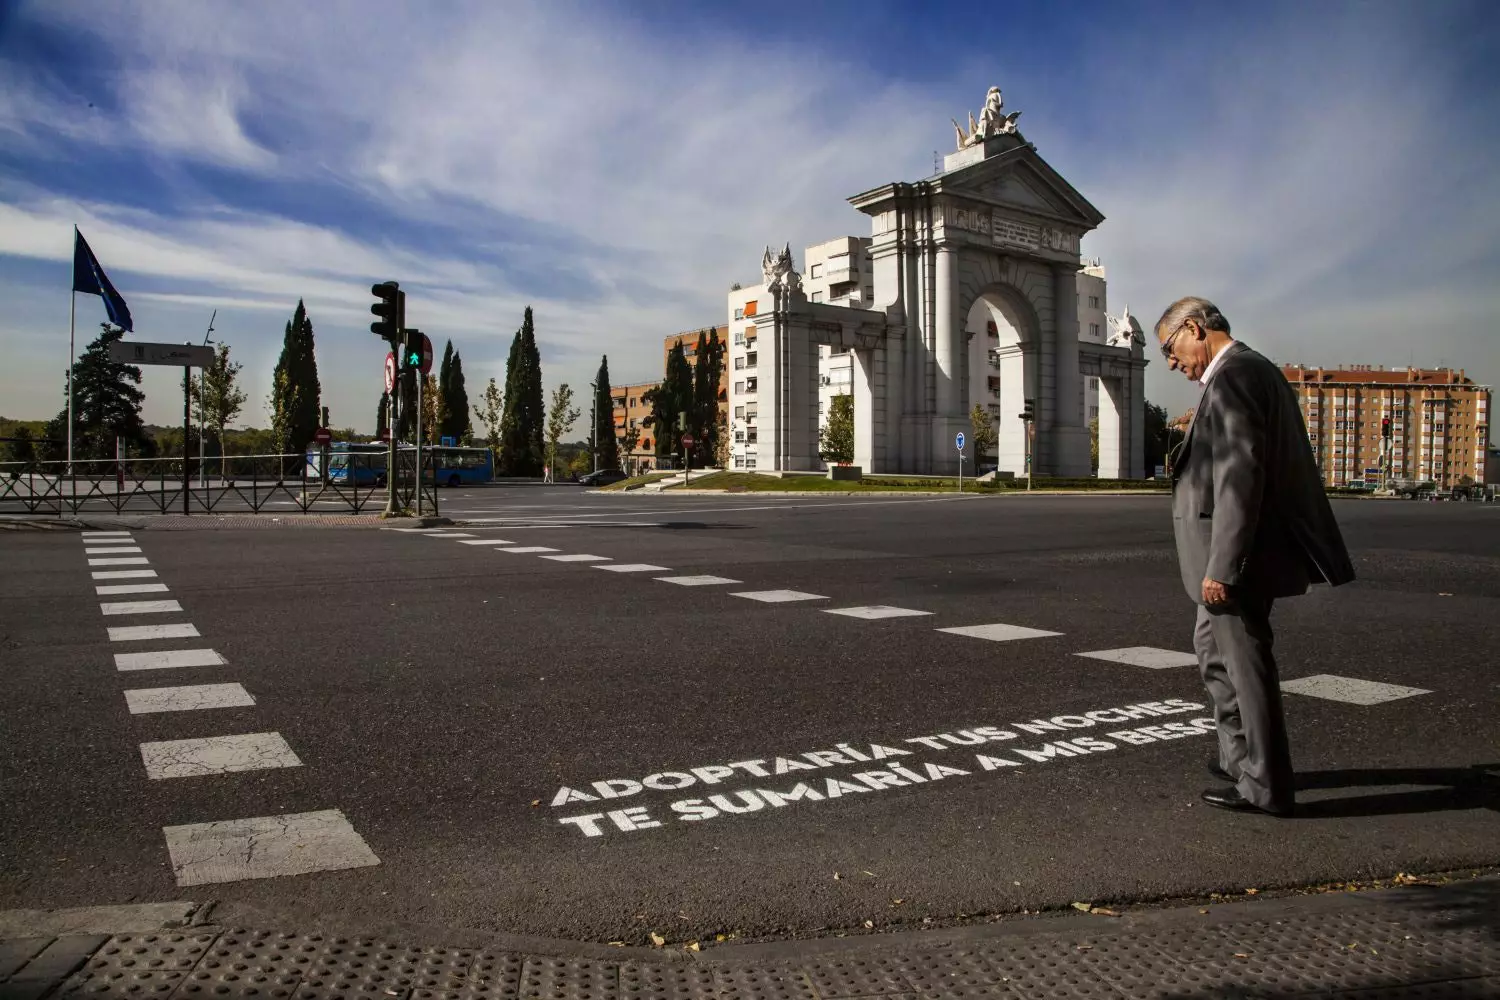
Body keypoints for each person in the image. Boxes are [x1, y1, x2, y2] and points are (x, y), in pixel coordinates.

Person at [1154, 297, 1354, 817]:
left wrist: (1223, 566)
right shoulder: (1245, 373)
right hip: (1227, 557)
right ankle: (1238, 758)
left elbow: (1241, 476)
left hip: (1233, 560)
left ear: (1194, 329)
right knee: (1212, 652)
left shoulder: (1236, 376)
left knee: (1244, 665)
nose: (1172, 364)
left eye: (1170, 350)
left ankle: (1264, 785)